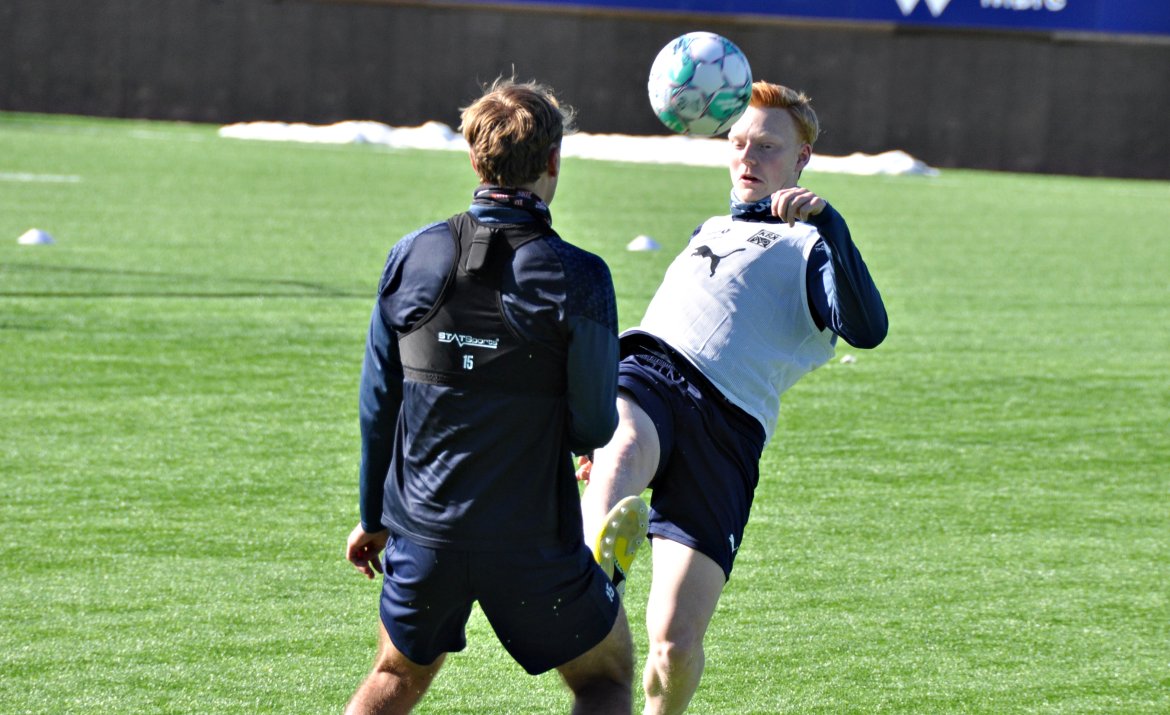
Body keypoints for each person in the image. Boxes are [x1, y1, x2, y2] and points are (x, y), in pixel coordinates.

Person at [578, 81, 889, 714]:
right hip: (654, 372)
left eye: (767, 147)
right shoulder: (710, 227)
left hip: (730, 431)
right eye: (739, 142)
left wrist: (830, 225)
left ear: (801, 159)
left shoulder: (814, 248)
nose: (747, 157)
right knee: (626, 443)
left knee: (675, 643)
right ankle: (587, 573)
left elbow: (868, 329)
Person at [344, 77, 634, 715]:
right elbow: (593, 422)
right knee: (604, 680)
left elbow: (377, 408)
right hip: (530, 541)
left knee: (394, 677)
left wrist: (373, 519)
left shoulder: (411, 255)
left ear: (474, 158)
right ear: (554, 161)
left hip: (421, 531)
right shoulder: (581, 275)